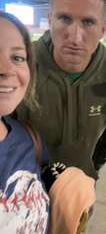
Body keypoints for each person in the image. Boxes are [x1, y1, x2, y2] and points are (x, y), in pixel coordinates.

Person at [16, 0, 106, 180]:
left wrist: (87, 174)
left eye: (88, 22)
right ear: (50, 20)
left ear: (103, 29)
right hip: (23, 198)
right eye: (64, 19)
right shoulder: (22, 65)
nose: (75, 37)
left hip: (78, 197)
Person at [0, 12, 49, 233]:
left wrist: (70, 182)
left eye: (18, 58)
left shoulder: (28, 137)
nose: (7, 70)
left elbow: (48, 174)